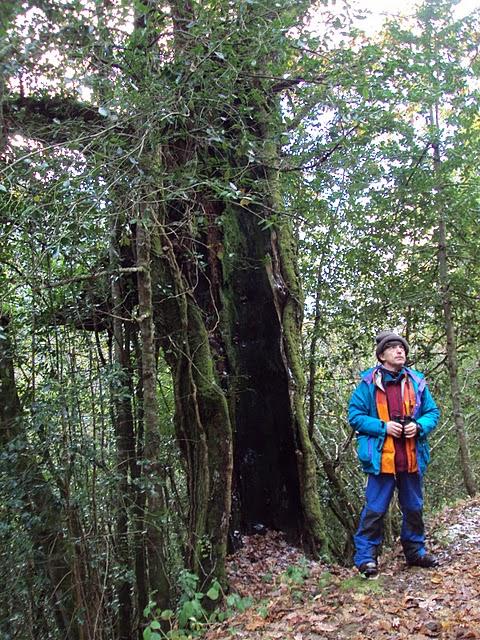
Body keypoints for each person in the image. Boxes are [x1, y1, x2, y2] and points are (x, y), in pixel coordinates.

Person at [348, 330, 440, 578]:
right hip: (381, 458)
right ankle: (366, 559)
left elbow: (432, 413)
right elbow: (354, 416)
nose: (400, 351)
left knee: (414, 506)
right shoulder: (367, 385)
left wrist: (419, 426)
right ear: (381, 356)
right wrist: (383, 427)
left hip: (411, 456)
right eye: (393, 348)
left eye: (402, 348)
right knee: (376, 509)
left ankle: (415, 551)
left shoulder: (417, 382)